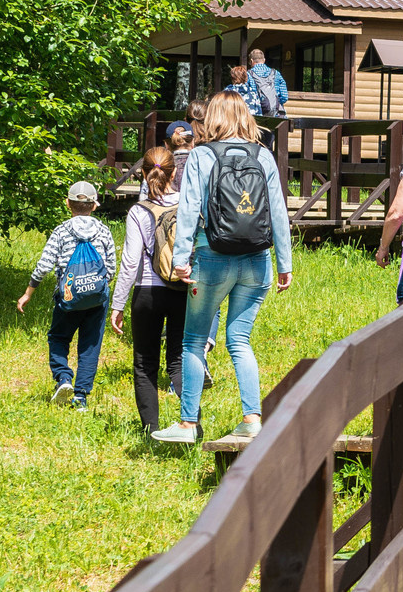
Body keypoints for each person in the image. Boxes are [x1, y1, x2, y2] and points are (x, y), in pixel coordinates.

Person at [157, 92, 293, 446]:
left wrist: (181, 259)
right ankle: (251, 419)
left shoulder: (202, 155)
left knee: (193, 341)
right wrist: (285, 262)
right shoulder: (263, 155)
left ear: (212, 118)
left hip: (211, 258)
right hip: (258, 261)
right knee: (240, 340)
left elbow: (189, 209)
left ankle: (188, 424)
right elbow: (278, 210)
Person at [18, 179, 118, 413]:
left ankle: (63, 379)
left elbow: (44, 264)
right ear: (95, 205)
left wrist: (28, 292)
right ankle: (81, 396)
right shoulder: (103, 230)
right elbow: (111, 266)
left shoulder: (62, 230)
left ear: (67, 204)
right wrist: (95, 286)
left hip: (68, 297)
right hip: (97, 299)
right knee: (90, 344)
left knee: (58, 337)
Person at [111, 147, 187, 438]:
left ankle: (150, 431)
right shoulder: (188, 204)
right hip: (183, 289)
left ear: (143, 173)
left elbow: (130, 262)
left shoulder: (138, 211)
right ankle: (192, 423)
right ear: (174, 172)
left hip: (147, 292)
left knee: (145, 364)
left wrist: (118, 304)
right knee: (179, 360)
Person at [244, 46, 289, 117]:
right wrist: (274, 105)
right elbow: (284, 96)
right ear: (264, 60)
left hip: (257, 116)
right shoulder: (276, 73)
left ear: (251, 61)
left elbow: (247, 96)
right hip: (276, 116)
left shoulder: (248, 75)